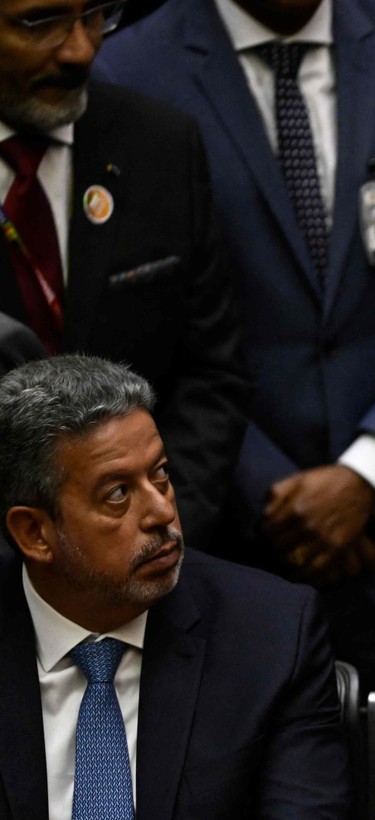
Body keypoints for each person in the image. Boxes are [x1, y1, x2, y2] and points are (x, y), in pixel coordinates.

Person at [98, 0, 375, 820]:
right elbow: (146, 333)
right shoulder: (131, 69)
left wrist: (366, 474)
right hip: (226, 544)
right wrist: (273, 490)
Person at [0, 356, 348, 820]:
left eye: (160, 474)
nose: (162, 511)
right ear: (34, 532)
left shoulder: (269, 630)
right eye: (116, 495)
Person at [0, 0, 250, 548]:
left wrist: (152, 531)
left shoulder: (159, 143)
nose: (81, 49)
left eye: (95, 14)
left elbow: (212, 373)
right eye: (39, 23)